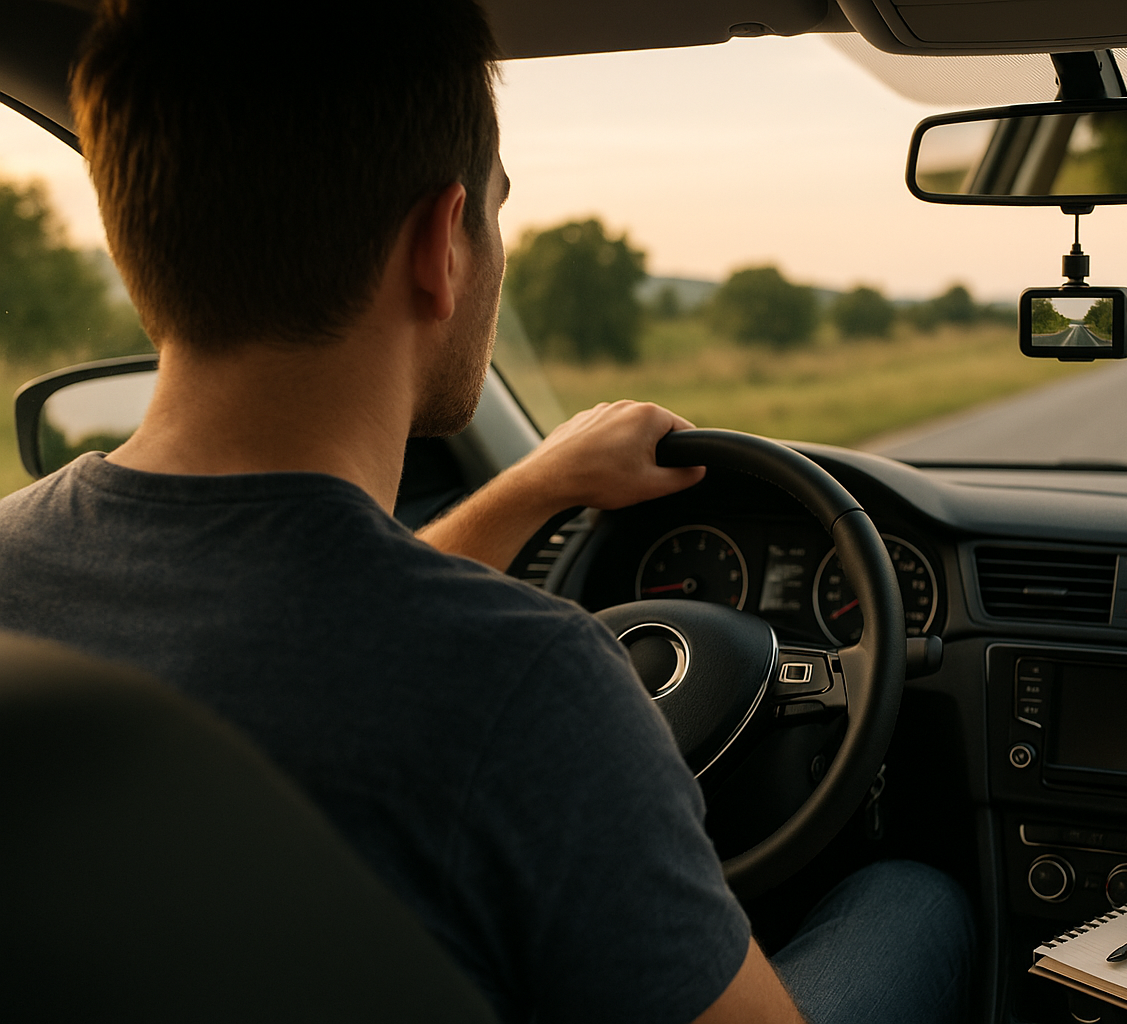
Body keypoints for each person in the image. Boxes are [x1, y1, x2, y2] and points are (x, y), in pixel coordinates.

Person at [0, 1, 973, 1022]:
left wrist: (536, 483)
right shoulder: (529, 685)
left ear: (138, 241)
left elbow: (324, 617)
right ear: (441, 246)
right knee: (912, 897)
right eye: (495, 212)